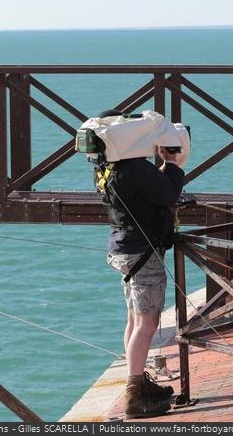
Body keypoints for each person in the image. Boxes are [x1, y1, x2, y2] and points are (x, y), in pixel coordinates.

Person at [98, 110, 185, 419]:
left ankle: (137, 381)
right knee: (147, 323)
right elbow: (167, 193)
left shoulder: (108, 167)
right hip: (142, 252)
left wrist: (160, 165)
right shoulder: (134, 168)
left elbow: (147, 194)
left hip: (123, 247)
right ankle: (135, 396)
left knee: (135, 320)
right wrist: (172, 163)